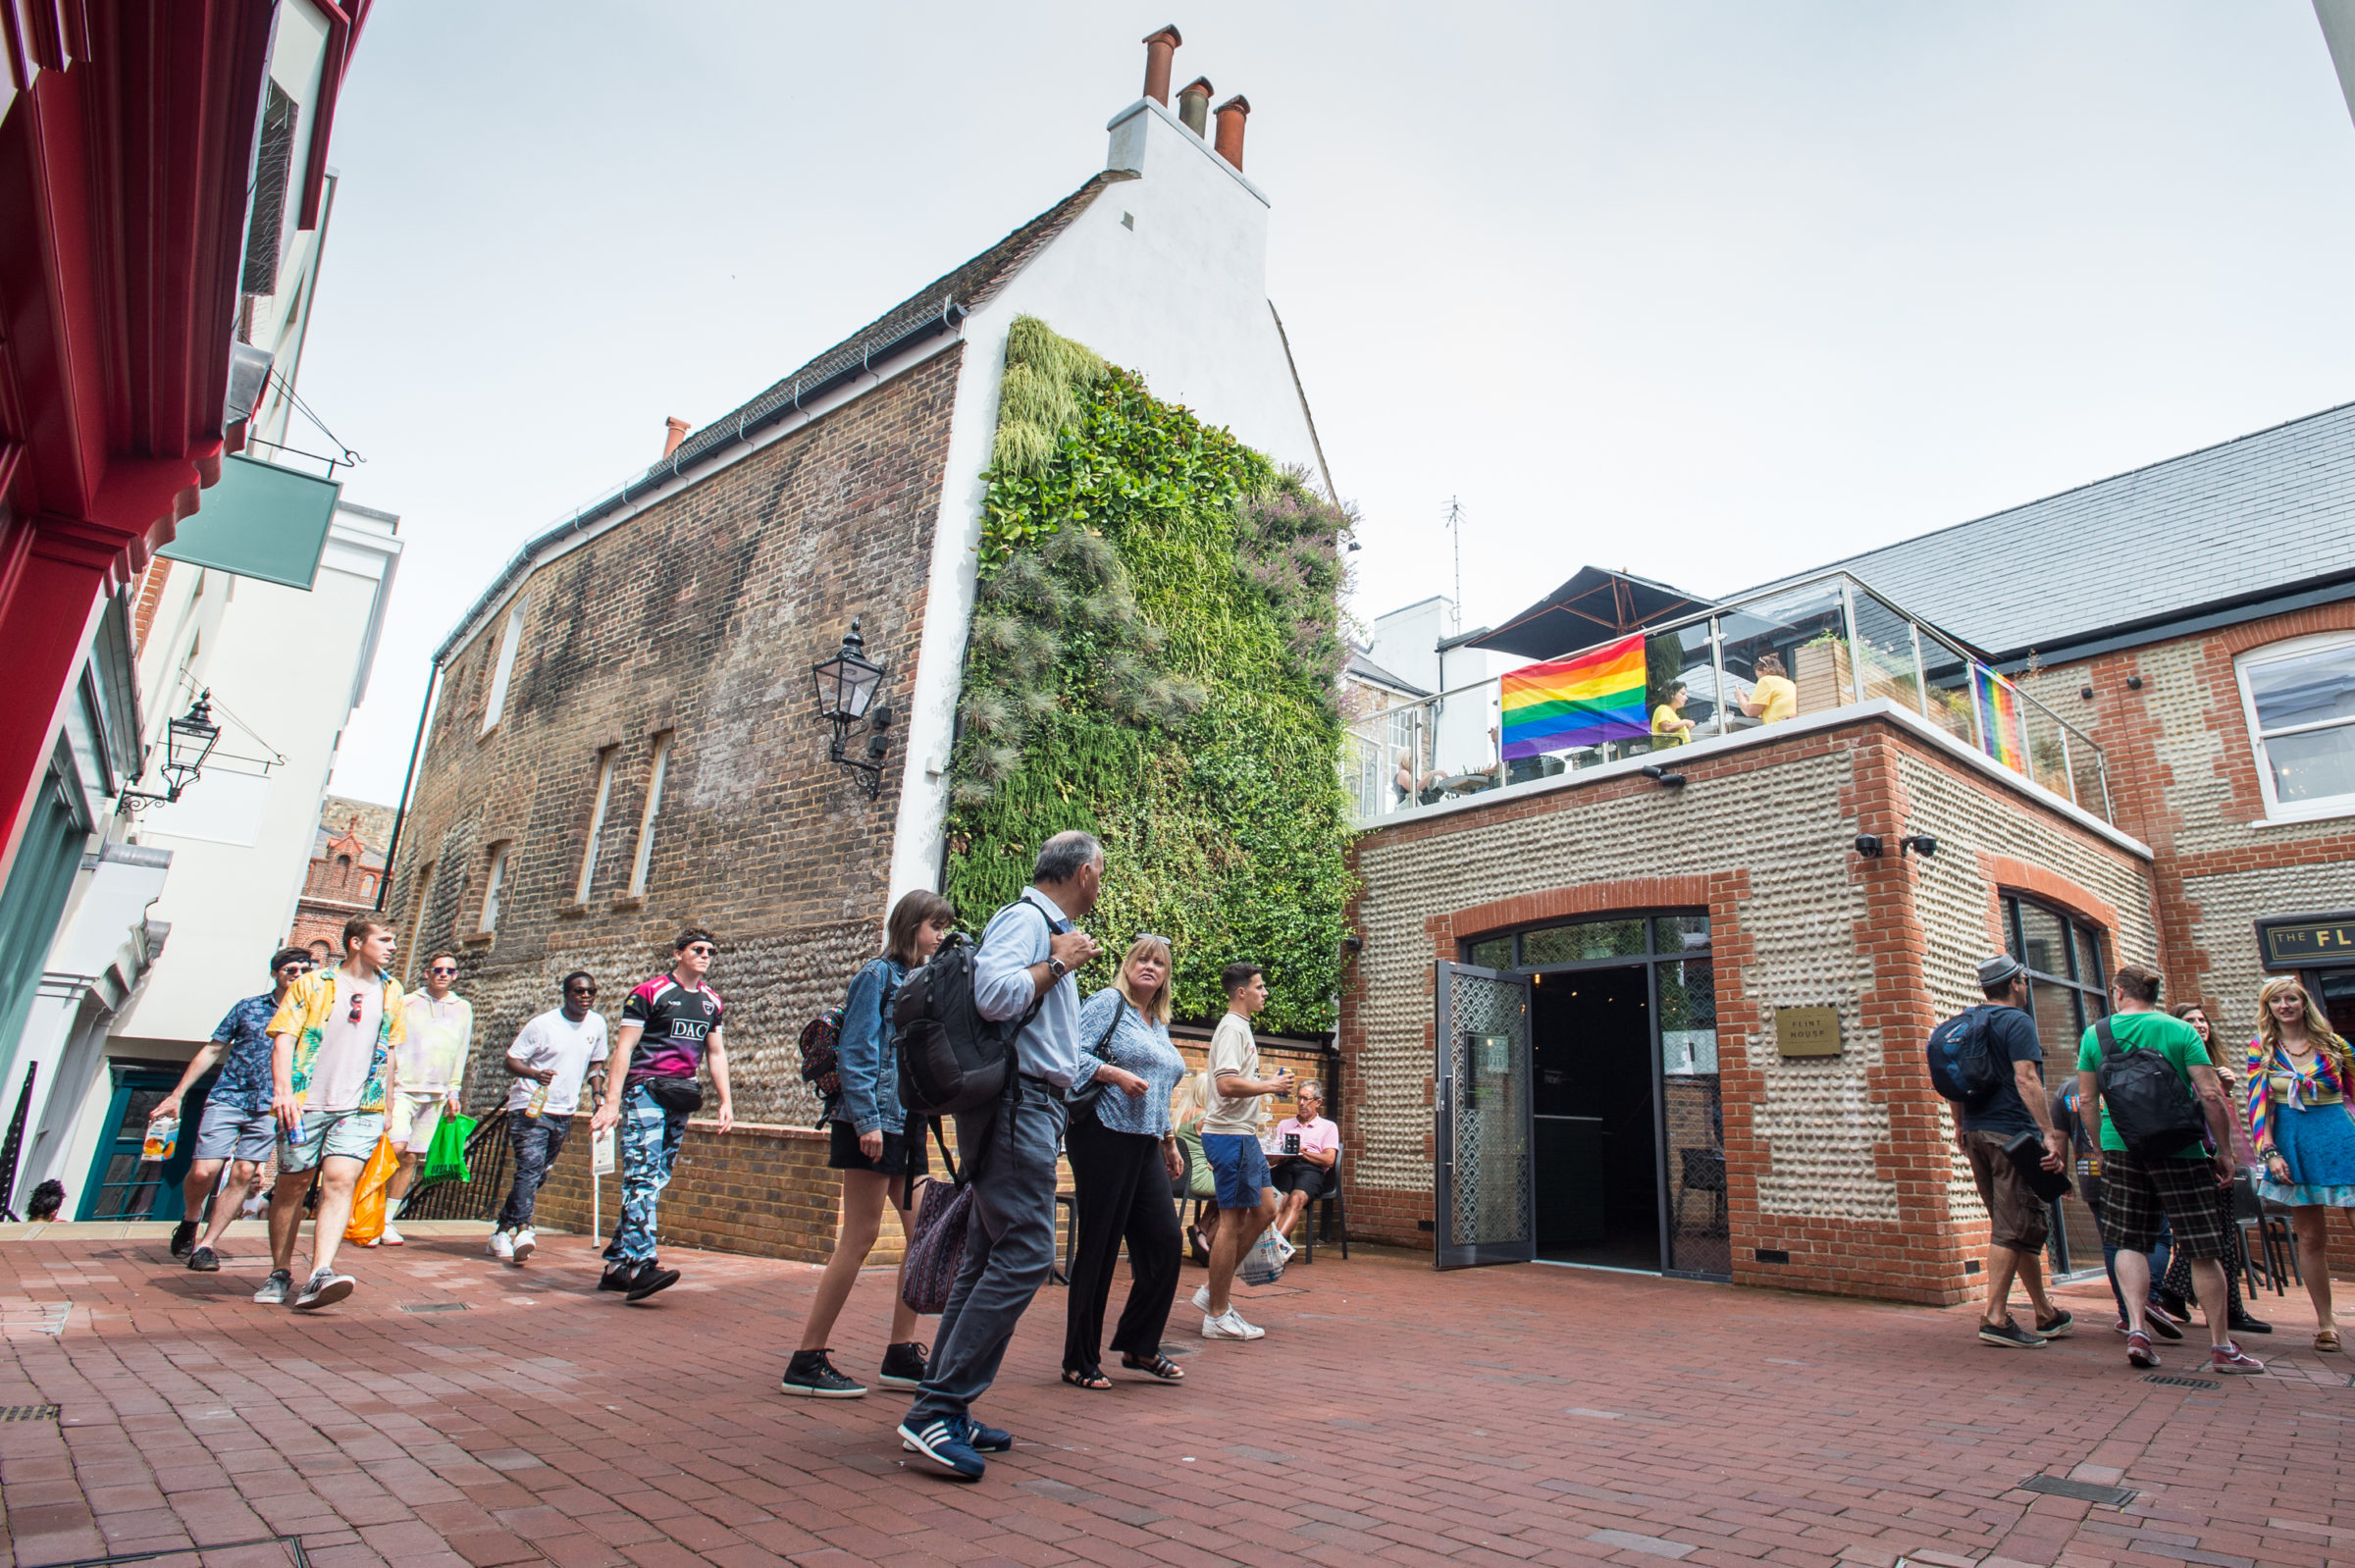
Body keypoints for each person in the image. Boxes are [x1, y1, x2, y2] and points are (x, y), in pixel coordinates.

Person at [897, 831, 1102, 1482]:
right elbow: (993, 997)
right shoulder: (1027, 920)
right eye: (1101, 872)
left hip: (1026, 1107)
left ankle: (945, 1408)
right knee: (1027, 1255)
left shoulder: (1040, 924)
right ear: (1086, 874)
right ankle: (937, 1408)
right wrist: (1061, 961)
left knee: (985, 1258)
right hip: (1017, 1107)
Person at [782, 890, 958, 1398]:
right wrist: (866, 1122)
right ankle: (807, 1358)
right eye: (935, 926)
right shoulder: (875, 976)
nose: (942, 935)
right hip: (872, 1123)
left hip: (910, 1123)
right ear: (910, 926)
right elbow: (857, 1053)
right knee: (858, 1239)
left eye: (945, 927)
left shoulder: (920, 981)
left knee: (924, 1235)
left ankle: (901, 1353)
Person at [2076, 962, 2263, 1374]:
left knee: (2129, 1241)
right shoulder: (2179, 1031)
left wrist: (2100, 1146)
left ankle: (2138, 1329)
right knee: (2202, 1247)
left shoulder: (2096, 1034)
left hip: (2122, 1146)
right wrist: (2225, 1152)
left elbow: (2087, 1101)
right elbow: (2211, 1094)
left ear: (2118, 992)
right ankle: (2221, 1346)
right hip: (2181, 1146)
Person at [258, 914, 407, 1312]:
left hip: (361, 1106)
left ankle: (321, 1271)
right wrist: (284, 1092)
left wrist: (388, 1105)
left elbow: (389, 1052)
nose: (393, 947)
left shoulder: (393, 991)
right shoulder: (313, 983)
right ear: (357, 942)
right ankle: (279, 1271)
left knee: (340, 1181)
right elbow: (284, 1039)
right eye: (385, 939)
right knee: (293, 1186)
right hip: (307, 1101)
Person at [1061, 934, 1190, 1390]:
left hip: (1145, 1143)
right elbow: (1065, 1054)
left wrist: (1169, 1141)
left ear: (1166, 974)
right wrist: (1111, 1072)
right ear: (1128, 963)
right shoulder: (1107, 1003)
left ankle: (1140, 1344)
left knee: (1164, 1244)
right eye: (1142, 958)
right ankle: (1079, 1359)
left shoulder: (1156, 1021)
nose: (1150, 966)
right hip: (1102, 1134)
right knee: (1099, 1246)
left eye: (1159, 961)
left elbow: (1159, 1085)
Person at [590, 928, 734, 1303]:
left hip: (682, 1094)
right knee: (641, 1174)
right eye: (697, 949)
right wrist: (610, 1102)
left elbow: (715, 1053)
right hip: (645, 1090)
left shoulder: (711, 1002)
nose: (705, 955)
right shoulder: (649, 993)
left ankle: (615, 1265)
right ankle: (642, 1264)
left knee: (657, 1178)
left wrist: (726, 1100)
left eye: (710, 951)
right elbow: (624, 1049)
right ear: (678, 954)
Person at [153, 946, 310, 1271]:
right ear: (275, 973)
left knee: (244, 1172)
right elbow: (213, 1049)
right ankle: (190, 1219)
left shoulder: (311, 1015)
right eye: (291, 969)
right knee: (203, 1171)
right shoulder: (248, 1008)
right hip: (230, 1096)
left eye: (304, 970)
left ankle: (207, 1245)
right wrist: (177, 1094)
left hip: (270, 1106)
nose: (298, 975)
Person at [1946, 955, 2071, 1348]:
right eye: (2025, 980)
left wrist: (1960, 1125)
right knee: (2014, 1226)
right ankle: (1995, 1317)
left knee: (2012, 1224)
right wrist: (2049, 1133)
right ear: (2016, 983)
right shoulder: (2017, 1022)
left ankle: (2045, 1313)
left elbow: (1953, 1081)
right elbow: (2026, 1077)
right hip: (2012, 1138)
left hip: (1978, 1135)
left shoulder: (1968, 1022)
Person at [2247, 974, 2355, 1353]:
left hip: (2342, 1140)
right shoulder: (2261, 1050)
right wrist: (2270, 1152)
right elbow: (2258, 1109)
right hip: (2293, 1147)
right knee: (2310, 1238)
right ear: (2269, 1008)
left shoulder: (2334, 1045)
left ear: (2303, 1003)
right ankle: (2326, 1324)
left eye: (2292, 998)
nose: (2285, 1006)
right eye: (2277, 1001)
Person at [1193, 961, 1293, 1341]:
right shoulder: (1231, 1029)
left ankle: (1211, 1292)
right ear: (1242, 992)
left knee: (1267, 1210)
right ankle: (1217, 1314)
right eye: (1259, 986)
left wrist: (1267, 1085)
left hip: (1244, 1136)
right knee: (1232, 1224)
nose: (1264, 992)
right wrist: (1269, 1085)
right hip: (1229, 1136)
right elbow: (1226, 1085)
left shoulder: (1241, 1028)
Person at [2157, 1002, 2268, 1335]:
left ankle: (2178, 1294)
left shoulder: (2212, 1064)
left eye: (2202, 1020)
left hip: (2216, 1153)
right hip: (2201, 1155)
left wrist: (2227, 1090)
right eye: (2190, 1020)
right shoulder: (2178, 1063)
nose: (2199, 1025)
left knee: (2218, 1232)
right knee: (2213, 1234)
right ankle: (2210, 1304)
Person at [491, 971, 607, 1264]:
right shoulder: (542, 1025)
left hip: (564, 1110)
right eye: (579, 991)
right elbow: (511, 1060)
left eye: (590, 991)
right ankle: (524, 1229)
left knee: (539, 1172)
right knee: (529, 1167)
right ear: (565, 993)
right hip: (530, 1106)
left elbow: (596, 1062)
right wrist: (534, 1074)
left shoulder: (597, 1023)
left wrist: (597, 1093)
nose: (585, 996)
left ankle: (502, 1229)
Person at [380, 951, 475, 1247]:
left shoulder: (462, 1008)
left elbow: (461, 1050)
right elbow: (390, 1043)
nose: (444, 975)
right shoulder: (407, 1002)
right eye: (438, 969)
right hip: (403, 1088)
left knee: (411, 1156)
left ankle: (386, 1221)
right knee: (394, 1147)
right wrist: (387, 1087)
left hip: (435, 1092)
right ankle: (367, 1209)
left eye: (450, 971)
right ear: (426, 973)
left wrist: (454, 1090)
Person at [1268, 1079, 1341, 1247]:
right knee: (1279, 1200)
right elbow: (1271, 1160)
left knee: (1295, 1200)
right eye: (1299, 1098)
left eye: (1306, 1099)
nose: (1301, 1103)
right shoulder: (1285, 1125)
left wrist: (1303, 1152)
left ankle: (1274, 1248)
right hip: (1286, 1165)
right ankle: (1271, 1247)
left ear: (1318, 1102)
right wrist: (1283, 1153)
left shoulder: (1328, 1127)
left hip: (1311, 1169)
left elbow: (1329, 1159)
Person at [1740, 653, 1797, 724]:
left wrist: (1740, 698)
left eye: (1759, 677)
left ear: (1765, 670)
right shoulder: (1789, 683)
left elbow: (1751, 712)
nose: (1759, 681)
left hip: (1780, 726)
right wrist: (1751, 702)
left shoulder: (1766, 680)